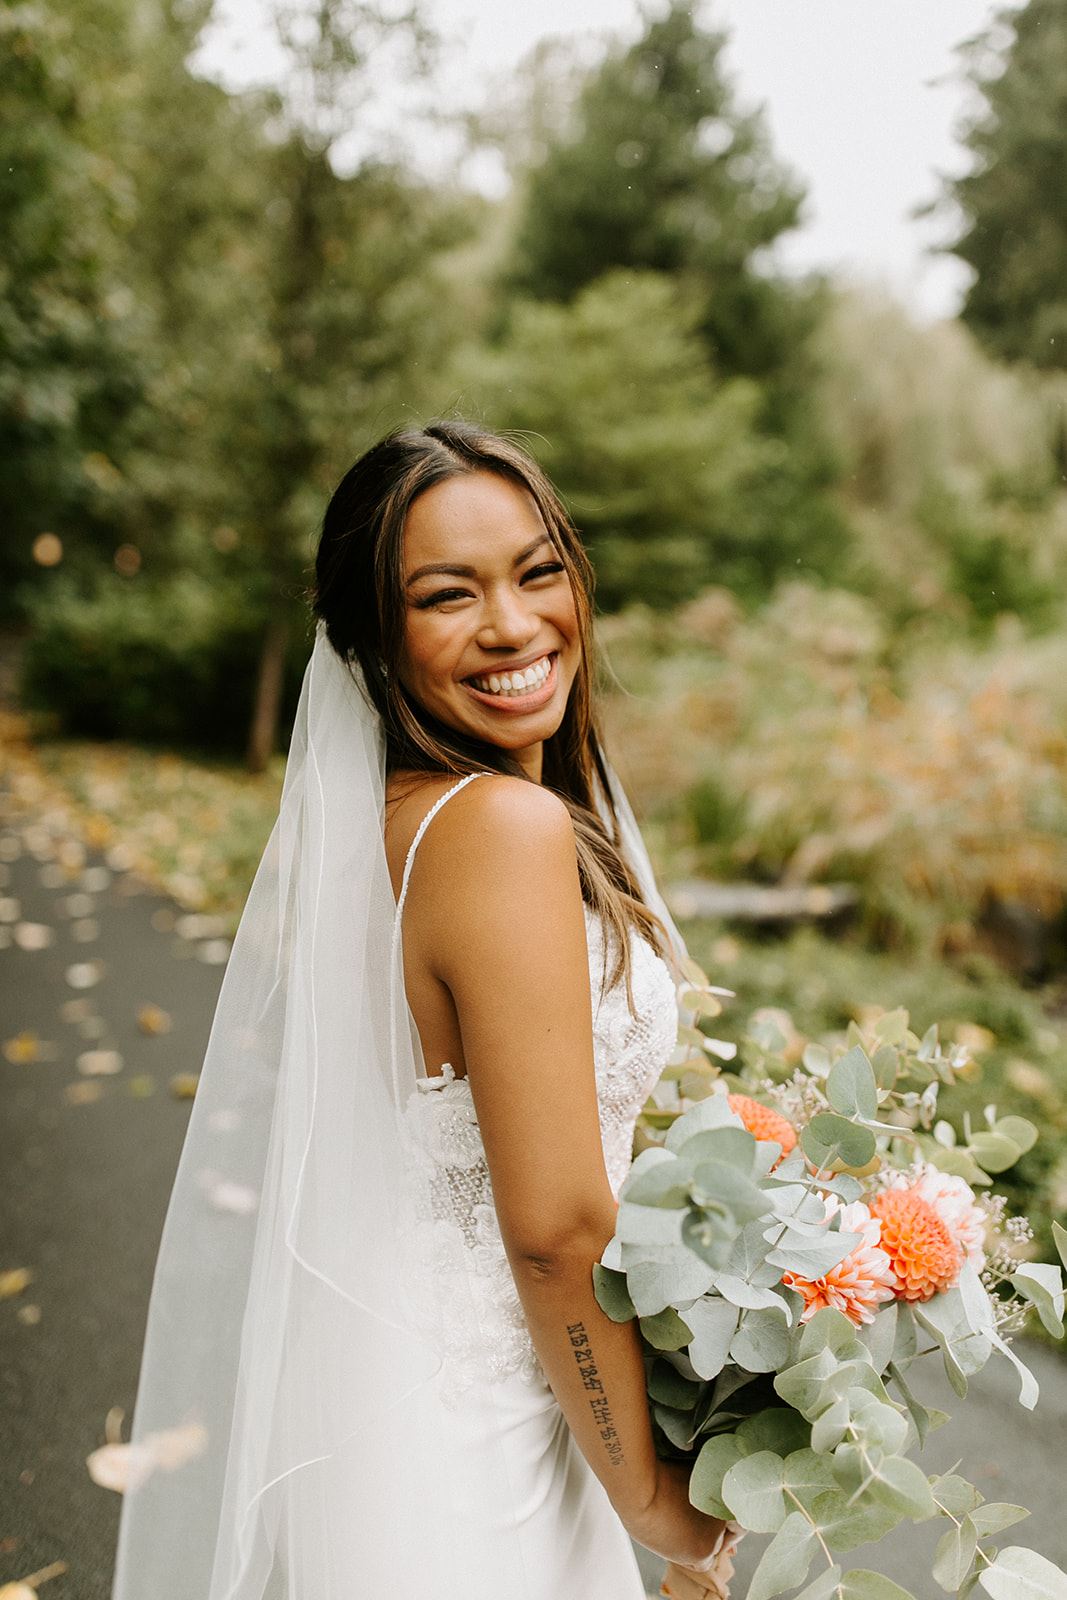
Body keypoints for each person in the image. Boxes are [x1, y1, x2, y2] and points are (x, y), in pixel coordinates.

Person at [110, 420, 739, 1600]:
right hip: (479, 1441)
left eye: (537, 571)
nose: (511, 624)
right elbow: (553, 1231)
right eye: (449, 595)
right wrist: (650, 1496)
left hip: (429, 1393)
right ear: (372, 639)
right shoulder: (500, 830)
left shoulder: (401, 823)